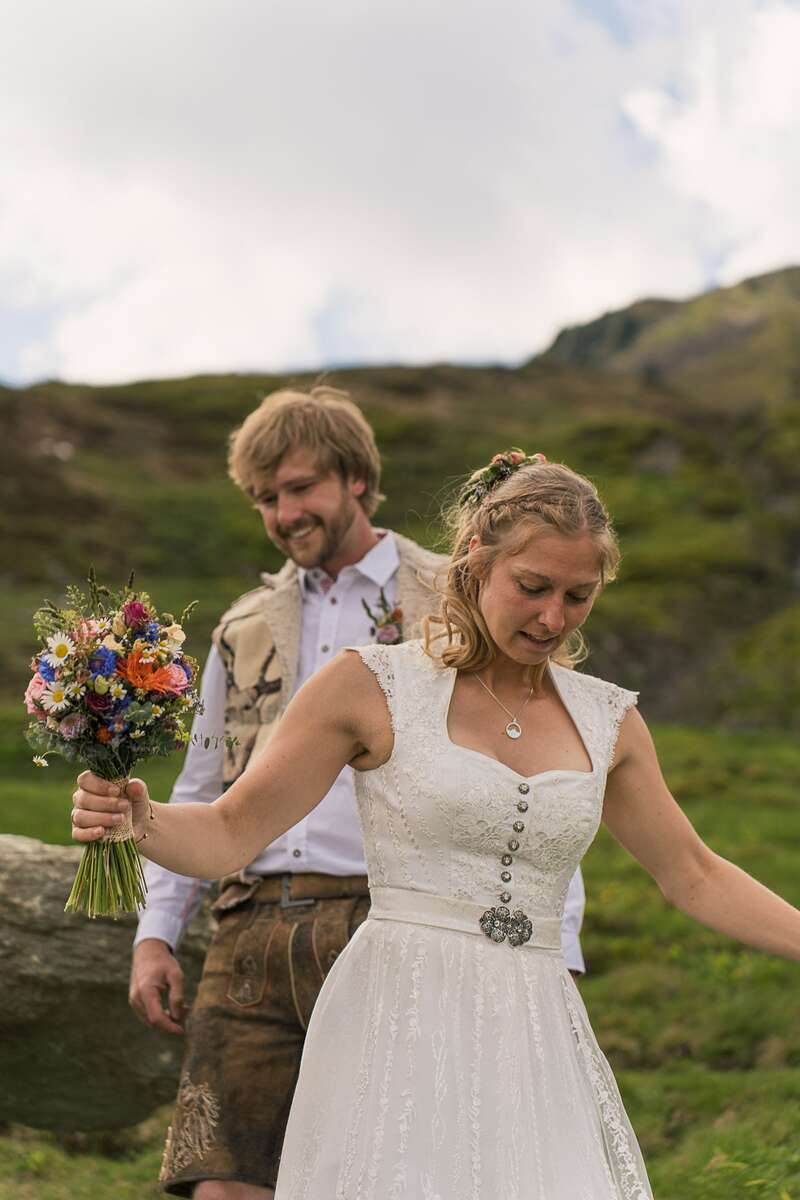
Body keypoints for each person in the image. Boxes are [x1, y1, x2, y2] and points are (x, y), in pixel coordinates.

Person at [72, 451, 800, 1199]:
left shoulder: (609, 720)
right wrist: (140, 818)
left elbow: (694, 874)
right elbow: (231, 830)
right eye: (532, 587)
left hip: (533, 1028)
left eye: (579, 596)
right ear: (475, 561)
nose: (553, 618)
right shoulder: (370, 685)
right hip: (397, 1016)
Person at [128, 396, 588, 1199]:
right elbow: (202, 783)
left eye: (300, 487)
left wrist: (559, 948)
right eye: (265, 499)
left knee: (390, 1176)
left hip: (397, 921)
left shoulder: (463, 594)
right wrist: (155, 933)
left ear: (357, 479)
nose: (283, 514)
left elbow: (535, 775)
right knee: (222, 1182)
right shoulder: (240, 628)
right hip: (250, 925)